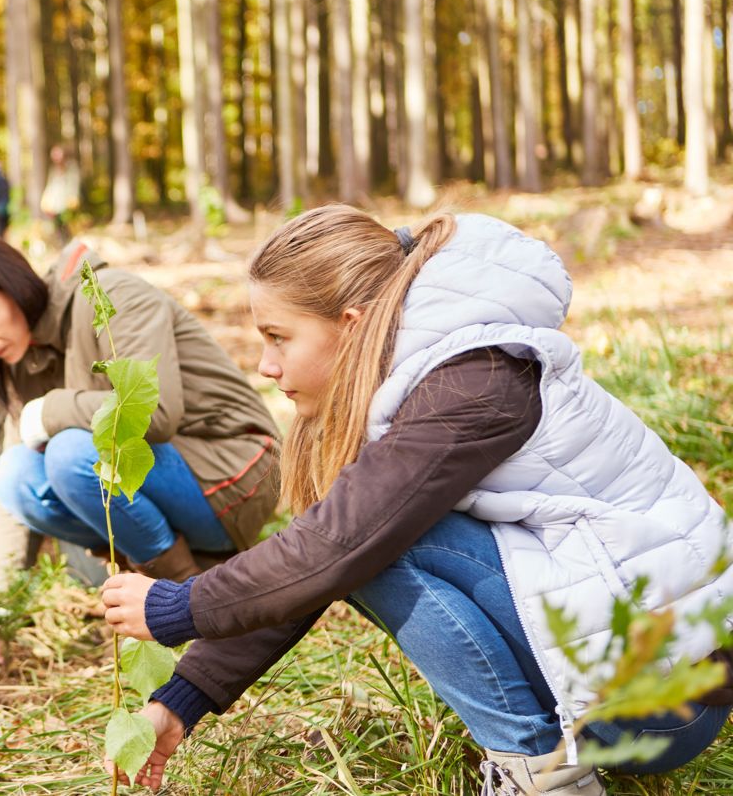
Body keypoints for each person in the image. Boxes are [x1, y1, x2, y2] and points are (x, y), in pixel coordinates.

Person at [99, 206, 733, 796]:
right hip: (624, 659)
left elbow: (333, 550)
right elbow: (321, 552)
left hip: (667, 699)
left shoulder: (473, 382)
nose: (265, 365)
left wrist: (182, 606)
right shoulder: (417, 383)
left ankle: (539, 772)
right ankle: (538, 759)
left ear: (350, 326)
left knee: (370, 542)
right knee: (358, 536)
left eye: (278, 337)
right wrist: (181, 699)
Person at [0, 232, 283, 662]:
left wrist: (51, 409)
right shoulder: (18, 356)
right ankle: (183, 583)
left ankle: (188, 600)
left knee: (71, 453)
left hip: (235, 470)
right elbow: (11, 499)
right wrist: (2, 606)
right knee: (13, 474)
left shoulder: (114, 296)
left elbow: (155, 412)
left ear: (13, 285)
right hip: (169, 483)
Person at [39, 144, 80, 244]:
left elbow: (74, 184)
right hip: (55, 206)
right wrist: (45, 200)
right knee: (58, 229)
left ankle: (71, 246)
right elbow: (50, 186)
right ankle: (63, 246)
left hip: (67, 204)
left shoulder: (72, 168)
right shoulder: (54, 170)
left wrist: (73, 198)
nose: (56, 159)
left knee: (69, 228)